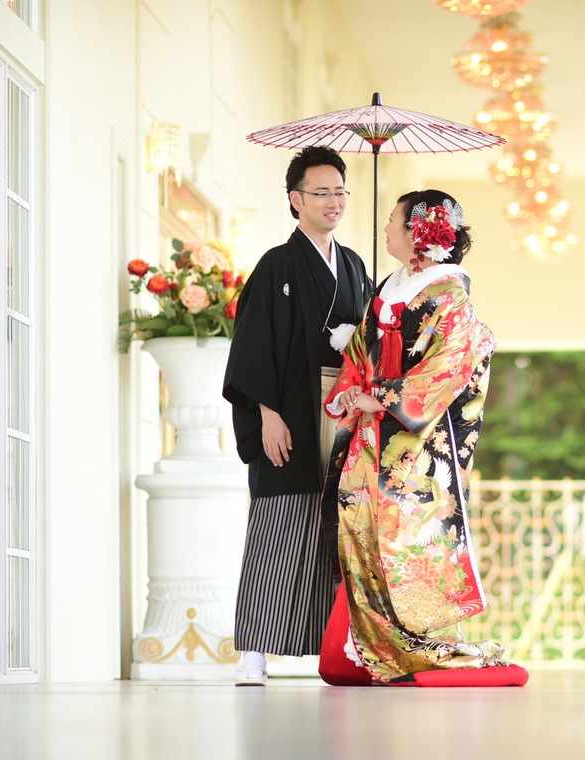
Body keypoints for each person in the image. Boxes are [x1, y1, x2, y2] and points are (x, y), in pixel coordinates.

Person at [317, 190, 527, 686]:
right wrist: (352, 393)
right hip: (369, 440)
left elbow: (446, 370)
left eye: (392, 220)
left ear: (419, 230)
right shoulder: (393, 286)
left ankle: (417, 648)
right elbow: (363, 358)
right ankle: (380, 650)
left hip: (416, 452)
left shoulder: (449, 296)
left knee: (404, 542)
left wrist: (383, 397)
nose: (385, 229)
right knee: (357, 530)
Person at [222, 145, 373, 685]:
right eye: (321, 192)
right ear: (295, 199)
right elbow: (254, 343)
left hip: (343, 413)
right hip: (289, 410)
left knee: (337, 530)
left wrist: (358, 338)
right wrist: (267, 413)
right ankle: (254, 654)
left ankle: (339, 648)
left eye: (340, 191)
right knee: (279, 524)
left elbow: (375, 342)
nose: (334, 201)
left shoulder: (355, 266)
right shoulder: (277, 265)